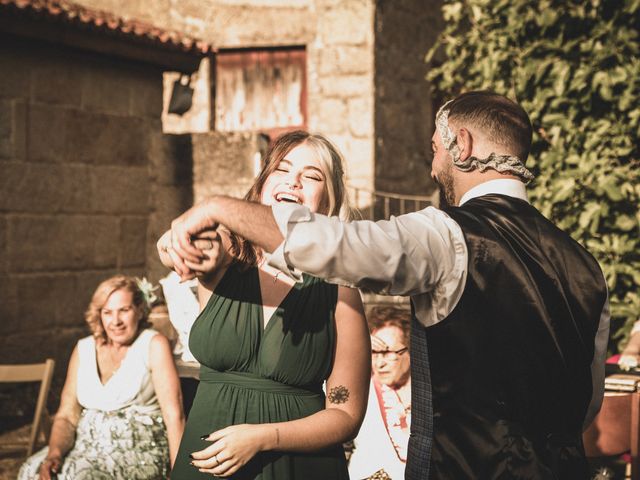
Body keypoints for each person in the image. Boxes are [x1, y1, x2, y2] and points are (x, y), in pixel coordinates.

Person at [167, 91, 611, 479]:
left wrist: (216, 207)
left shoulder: (446, 234)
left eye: (436, 149)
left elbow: (341, 246)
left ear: (464, 144)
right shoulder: (585, 266)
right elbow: (586, 402)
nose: (434, 165)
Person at [157, 130, 370, 479]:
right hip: (207, 463)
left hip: (295, 467)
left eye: (312, 176)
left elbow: (346, 416)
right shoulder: (227, 256)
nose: (294, 182)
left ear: (328, 204)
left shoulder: (340, 290)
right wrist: (176, 245)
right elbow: (178, 244)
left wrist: (262, 437)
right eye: (282, 170)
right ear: (261, 186)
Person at [17, 275, 185, 480]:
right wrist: (55, 454)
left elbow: (174, 416)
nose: (116, 322)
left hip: (136, 453)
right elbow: (67, 416)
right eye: (107, 312)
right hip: (84, 449)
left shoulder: (153, 344)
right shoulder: (84, 348)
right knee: (31, 471)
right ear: (99, 315)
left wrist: (180, 474)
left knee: (77, 477)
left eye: (124, 310)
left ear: (140, 310)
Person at [349, 306, 411, 480]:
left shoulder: (431, 394)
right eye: (374, 352)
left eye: (387, 352)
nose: (379, 363)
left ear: (410, 350)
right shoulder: (360, 390)